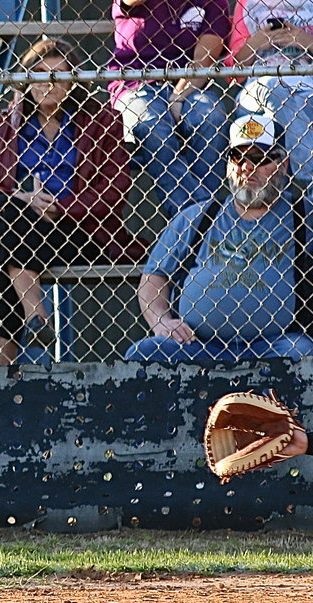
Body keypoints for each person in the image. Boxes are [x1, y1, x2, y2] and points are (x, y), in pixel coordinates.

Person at [0, 39, 144, 366]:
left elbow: (115, 189)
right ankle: (35, 315)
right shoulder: (3, 126)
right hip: (18, 225)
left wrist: (61, 206)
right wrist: (20, 197)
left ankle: (7, 351)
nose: (48, 83)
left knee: (3, 241)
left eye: (58, 74)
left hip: (80, 232)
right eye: (39, 73)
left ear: (72, 80)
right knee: (10, 212)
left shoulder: (102, 122)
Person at [125, 113, 313, 361]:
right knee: (144, 353)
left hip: (275, 345)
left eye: (259, 157)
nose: (247, 167)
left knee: (302, 354)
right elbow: (153, 279)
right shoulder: (198, 216)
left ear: (284, 164)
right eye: (238, 157)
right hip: (198, 346)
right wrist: (162, 322)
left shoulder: (304, 217)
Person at [109, 0, 231, 217]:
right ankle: (200, 217)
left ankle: (194, 221)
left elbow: (204, 58)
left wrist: (178, 96)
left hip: (191, 84)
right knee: (154, 125)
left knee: (211, 115)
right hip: (135, 81)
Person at [232, 0, 313, 183]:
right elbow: (232, 70)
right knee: (274, 87)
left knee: (289, 102)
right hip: (258, 89)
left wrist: (303, 40)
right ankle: (309, 179)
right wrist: (257, 42)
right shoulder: (247, 4)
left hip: (307, 86)